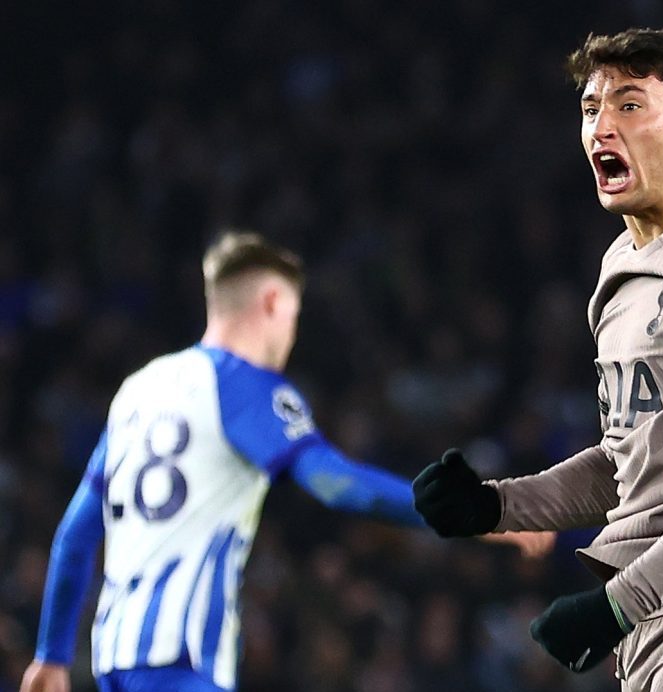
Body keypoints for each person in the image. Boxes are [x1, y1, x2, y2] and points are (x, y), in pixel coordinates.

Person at [414, 28, 663, 691]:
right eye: (590, 107)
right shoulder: (623, 264)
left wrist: (618, 604)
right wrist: (495, 506)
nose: (603, 125)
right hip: (655, 618)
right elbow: (632, 460)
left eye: (629, 104)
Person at [20, 232, 550, 692]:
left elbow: (74, 534)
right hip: (179, 657)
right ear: (272, 302)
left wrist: (52, 654)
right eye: (293, 317)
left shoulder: (138, 391)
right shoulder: (247, 385)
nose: (291, 337)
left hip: (114, 656)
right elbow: (340, 486)